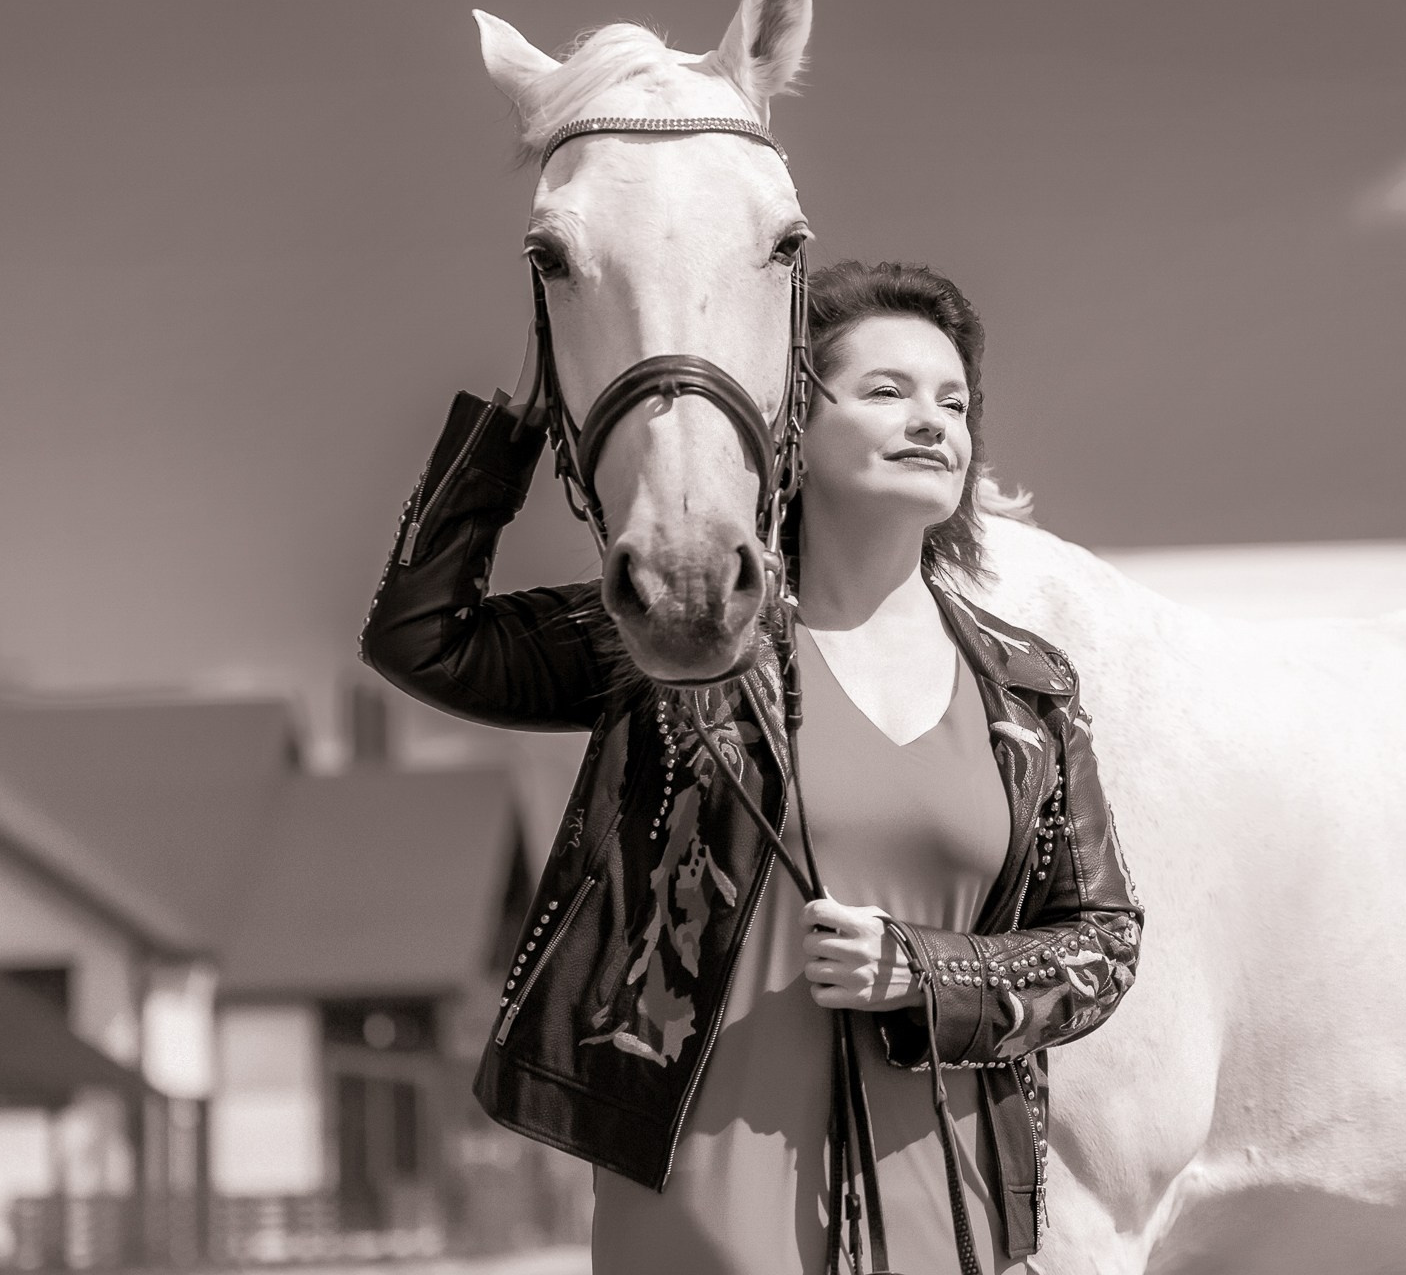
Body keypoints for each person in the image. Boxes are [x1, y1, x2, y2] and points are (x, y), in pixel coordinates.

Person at [361, 260, 1142, 1275]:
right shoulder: (681, 640)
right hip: (701, 1210)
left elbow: (1102, 945)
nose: (931, 420)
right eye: (885, 390)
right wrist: (520, 411)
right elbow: (425, 635)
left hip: (949, 1210)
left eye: (953, 400)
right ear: (790, 427)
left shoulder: (1027, 690)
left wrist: (924, 970)